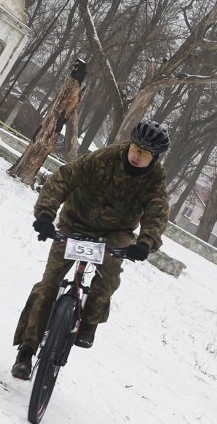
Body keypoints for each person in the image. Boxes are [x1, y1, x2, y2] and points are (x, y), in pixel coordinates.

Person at [11, 118, 171, 380]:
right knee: (48, 285)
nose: (137, 157)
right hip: (76, 222)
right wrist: (45, 214)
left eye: (144, 154)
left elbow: (157, 213)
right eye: (135, 149)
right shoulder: (104, 158)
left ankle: (89, 322)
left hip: (115, 233)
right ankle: (26, 352)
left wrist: (145, 243)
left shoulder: (155, 180)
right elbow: (63, 179)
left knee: (108, 277)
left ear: (155, 158)